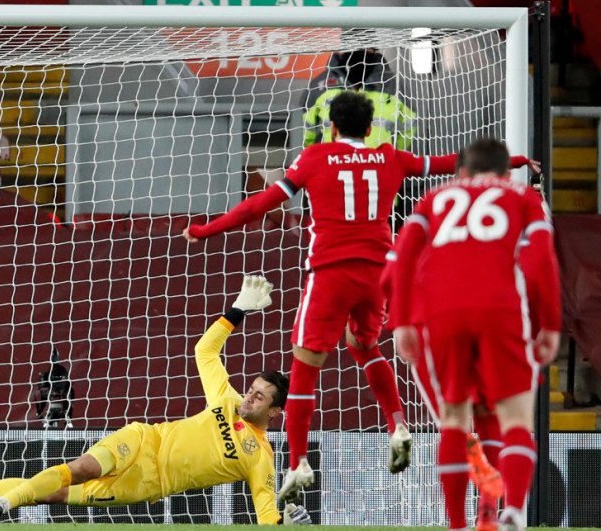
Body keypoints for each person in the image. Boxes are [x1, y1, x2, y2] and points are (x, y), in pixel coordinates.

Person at [183, 91, 536, 503]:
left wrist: (206, 230)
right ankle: (397, 423)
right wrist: (514, 163)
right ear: (370, 129)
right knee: (363, 343)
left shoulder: (313, 159)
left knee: (305, 368)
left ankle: (297, 462)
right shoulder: (389, 157)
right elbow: (452, 166)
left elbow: (260, 204)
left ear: (331, 126)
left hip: (331, 273)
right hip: (378, 272)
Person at [0, 276, 311, 526]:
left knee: (50, 493)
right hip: (142, 440)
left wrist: (287, 524)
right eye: (251, 389)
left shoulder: (259, 457)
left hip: (145, 483)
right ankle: (2, 504)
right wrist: (237, 311)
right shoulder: (227, 399)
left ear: (276, 412)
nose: (248, 399)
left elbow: (265, 516)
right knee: (81, 468)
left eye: (258, 397)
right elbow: (204, 352)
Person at [391, 138, 561, 531]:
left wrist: (401, 321)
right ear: (506, 173)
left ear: (461, 172)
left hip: (443, 314)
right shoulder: (522, 197)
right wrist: (552, 325)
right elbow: (542, 261)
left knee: (454, 419)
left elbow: (402, 257)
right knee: (516, 419)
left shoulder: (436, 197)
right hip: (501, 310)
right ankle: (513, 516)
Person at [303, 48, 417, 150]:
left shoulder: (393, 85)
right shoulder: (321, 85)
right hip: (333, 166)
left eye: (365, 47)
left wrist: (392, 157)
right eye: (354, 46)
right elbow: (305, 133)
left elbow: (408, 128)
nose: (359, 51)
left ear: (374, 49)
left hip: (377, 165)